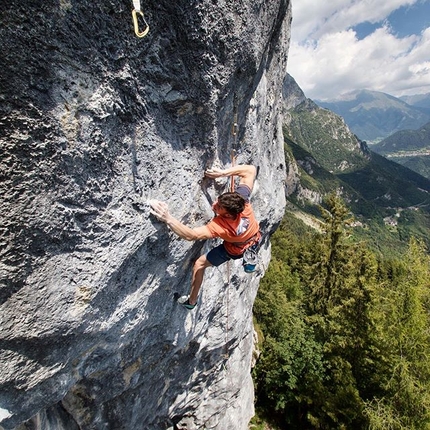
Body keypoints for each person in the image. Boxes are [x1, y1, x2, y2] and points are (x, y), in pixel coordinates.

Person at [149, 164, 261, 310]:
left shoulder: (221, 227)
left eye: (219, 207)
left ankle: (191, 302)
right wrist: (222, 173)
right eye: (218, 201)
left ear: (227, 215)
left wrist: (168, 218)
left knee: (199, 264)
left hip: (234, 249)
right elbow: (250, 170)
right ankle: (250, 260)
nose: (215, 204)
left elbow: (191, 235)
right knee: (246, 245)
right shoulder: (242, 202)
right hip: (254, 238)